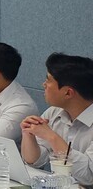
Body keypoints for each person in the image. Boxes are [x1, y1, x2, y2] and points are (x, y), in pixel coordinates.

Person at [21, 53, 93, 186]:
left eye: (48, 80)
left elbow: (89, 176)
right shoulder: (54, 112)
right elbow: (34, 161)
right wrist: (28, 134)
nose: (44, 84)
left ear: (68, 93)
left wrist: (51, 137)